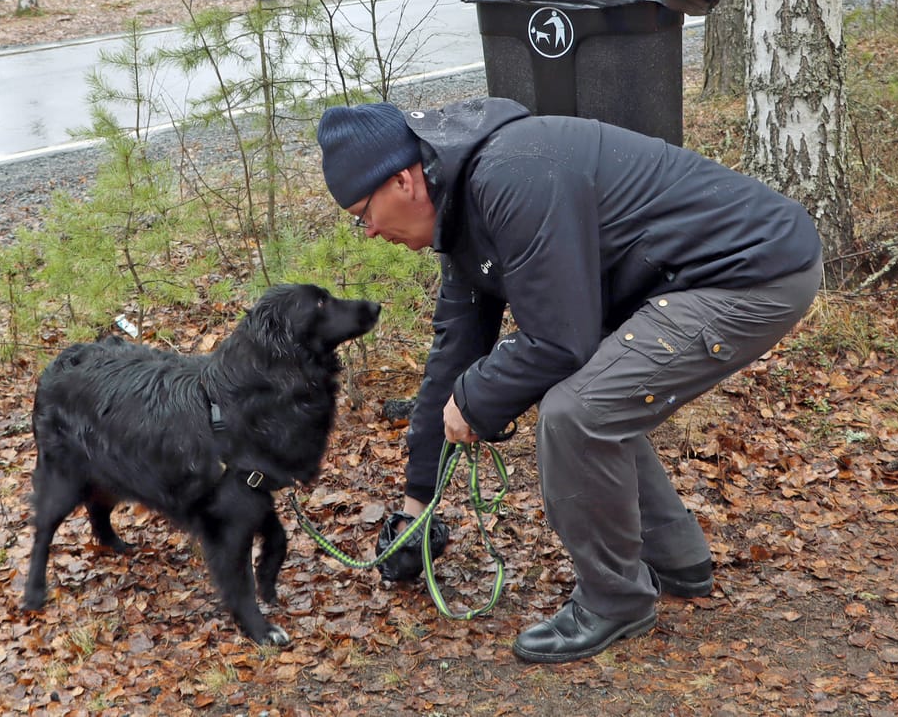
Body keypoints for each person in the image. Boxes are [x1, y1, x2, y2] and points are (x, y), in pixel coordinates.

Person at [316, 97, 822, 663]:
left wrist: (477, 399)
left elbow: (560, 342)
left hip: (751, 273)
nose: (367, 232)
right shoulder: (462, 212)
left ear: (404, 180)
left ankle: (614, 601)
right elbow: (452, 359)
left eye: (363, 212)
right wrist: (416, 508)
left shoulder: (513, 176)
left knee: (578, 411)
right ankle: (679, 560)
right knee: (599, 395)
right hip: (698, 278)